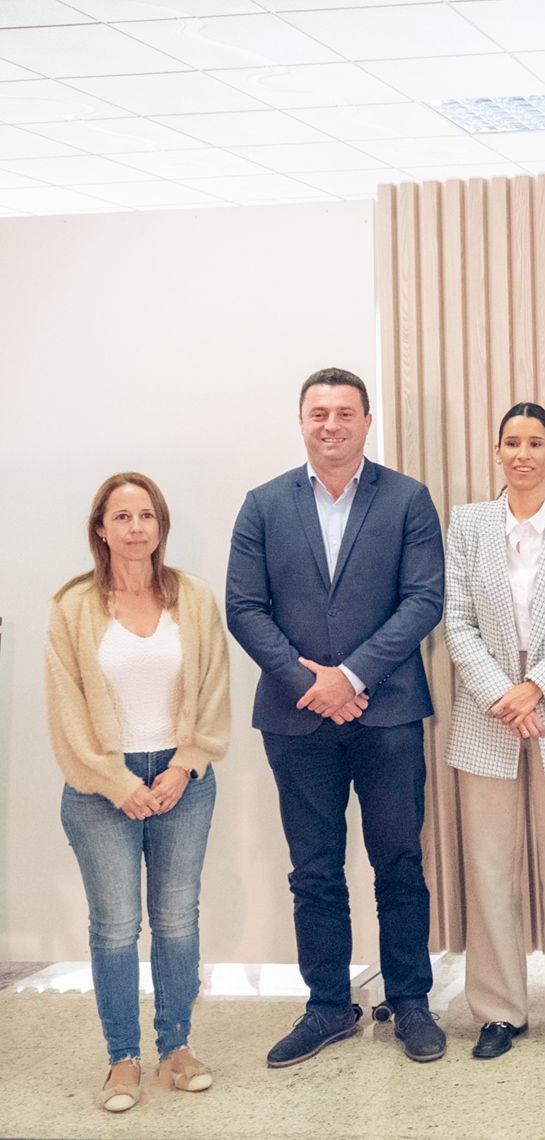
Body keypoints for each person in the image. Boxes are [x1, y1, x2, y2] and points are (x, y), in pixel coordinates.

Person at [226, 367, 446, 1067]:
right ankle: (327, 1006)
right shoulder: (263, 504)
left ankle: (409, 1001)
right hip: (297, 722)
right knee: (314, 870)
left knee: (399, 862)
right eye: (318, 413)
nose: (331, 424)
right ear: (301, 422)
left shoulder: (408, 499)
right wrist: (309, 682)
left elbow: (423, 599)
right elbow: (244, 608)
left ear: (366, 420)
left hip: (386, 716)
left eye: (344, 412)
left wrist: (350, 677)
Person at [47, 472, 229, 1112]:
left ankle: (175, 1048)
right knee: (116, 926)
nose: (136, 528)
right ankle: (122, 1059)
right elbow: (66, 713)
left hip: (184, 779)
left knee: (177, 921)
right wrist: (117, 782)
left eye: (146, 515)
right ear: (101, 527)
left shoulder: (195, 599)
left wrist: (184, 765)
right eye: (121, 517)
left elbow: (213, 691)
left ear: (161, 525)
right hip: (101, 788)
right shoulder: (72, 607)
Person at [443, 402, 545, 1062]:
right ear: (497, 451)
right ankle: (498, 1010)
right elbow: (456, 622)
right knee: (489, 870)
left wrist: (534, 686)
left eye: (534, 441)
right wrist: (503, 695)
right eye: (511, 441)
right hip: (486, 713)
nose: (522, 453)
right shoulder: (468, 523)